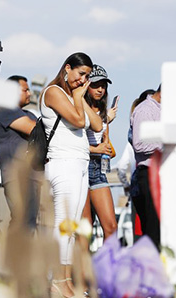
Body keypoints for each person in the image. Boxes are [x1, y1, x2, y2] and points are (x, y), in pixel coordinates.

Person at [39, 52, 102, 298]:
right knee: (64, 224)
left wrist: (80, 97)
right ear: (67, 68)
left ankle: (64, 281)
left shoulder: (74, 96)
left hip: (79, 163)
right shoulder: (53, 92)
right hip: (63, 162)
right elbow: (77, 120)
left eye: (87, 75)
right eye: (80, 74)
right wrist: (77, 98)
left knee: (71, 226)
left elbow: (96, 124)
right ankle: (57, 281)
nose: (83, 79)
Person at [0, 75, 38, 230]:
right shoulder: (6, 110)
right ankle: (14, 253)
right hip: (16, 176)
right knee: (23, 220)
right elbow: (34, 129)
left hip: (31, 176)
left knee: (29, 221)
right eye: (25, 90)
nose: (29, 94)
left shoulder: (30, 115)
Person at [80, 65, 118, 240]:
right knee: (85, 229)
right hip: (81, 166)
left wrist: (106, 148)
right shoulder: (78, 107)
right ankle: (83, 268)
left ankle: (107, 267)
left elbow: (104, 140)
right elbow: (71, 143)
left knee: (111, 227)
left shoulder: (103, 112)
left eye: (103, 85)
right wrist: (97, 149)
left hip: (98, 170)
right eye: (96, 85)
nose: (101, 89)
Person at [130, 85, 162, 249]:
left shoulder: (163, 112)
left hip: (163, 176)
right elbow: (139, 144)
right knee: (153, 232)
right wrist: (166, 145)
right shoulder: (145, 110)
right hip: (149, 174)